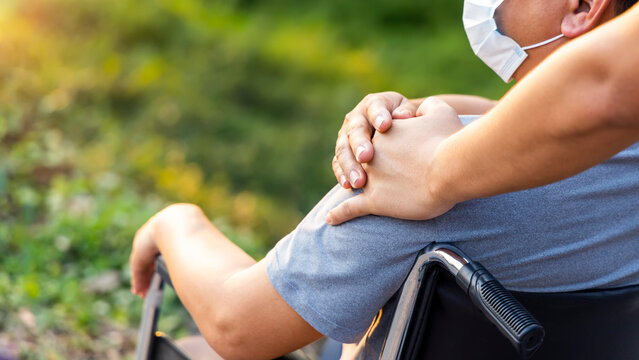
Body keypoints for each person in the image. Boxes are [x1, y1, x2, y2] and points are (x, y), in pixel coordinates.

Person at [129, 0, 639, 359]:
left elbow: (237, 326)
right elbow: (529, 117)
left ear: (581, 6)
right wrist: (435, 109)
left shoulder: (419, 180)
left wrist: (175, 222)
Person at [327, 0, 639, 225]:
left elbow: (600, 88)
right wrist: (407, 108)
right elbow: (509, 114)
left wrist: (433, 170)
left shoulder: (403, 197)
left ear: (582, 6)